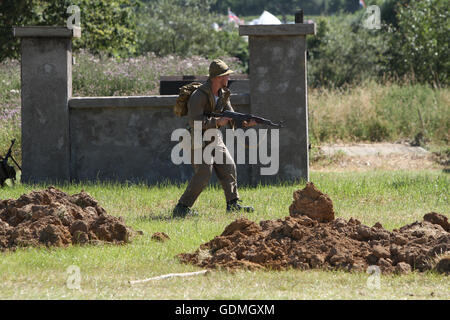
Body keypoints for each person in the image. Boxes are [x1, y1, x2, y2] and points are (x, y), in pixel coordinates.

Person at [172, 59, 256, 218]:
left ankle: (233, 204)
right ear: (217, 77)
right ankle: (182, 208)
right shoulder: (198, 96)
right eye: (226, 76)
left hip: (214, 136)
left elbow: (231, 116)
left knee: (228, 166)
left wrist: (245, 123)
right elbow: (194, 121)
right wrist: (217, 122)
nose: (228, 79)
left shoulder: (224, 94)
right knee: (204, 172)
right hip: (196, 137)